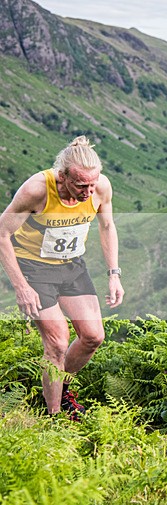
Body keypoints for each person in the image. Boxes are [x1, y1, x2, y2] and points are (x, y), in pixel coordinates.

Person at [0, 136, 124, 419]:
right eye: (81, 185)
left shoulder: (100, 188)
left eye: (92, 184)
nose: (87, 191)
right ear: (63, 176)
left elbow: (107, 226)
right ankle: (54, 416)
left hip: (71, 266)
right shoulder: (37, 190)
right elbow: (2, 234)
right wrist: (21, 287)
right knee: (56, 343)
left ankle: (57, 386)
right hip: (33, 268)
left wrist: (114, 275)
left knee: (93, 336)